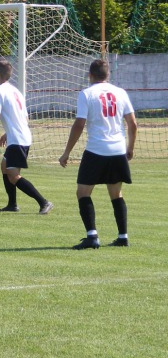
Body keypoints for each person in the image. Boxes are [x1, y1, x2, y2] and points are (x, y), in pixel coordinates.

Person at [59, 59, 137, 250]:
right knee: (116, 193)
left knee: (83, 192)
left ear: (90, 75)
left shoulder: (86, 94)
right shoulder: (121, 92)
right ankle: (123, 236)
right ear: (108, 75)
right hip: (118, 149)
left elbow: (79, 124)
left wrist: (67, 152)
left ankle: (92, 236)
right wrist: (130, 148)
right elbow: (133, 124)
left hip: (96, 150)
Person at [0, 59, 53, 215]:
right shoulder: (16, 91)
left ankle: (43, 202)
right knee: (5, 167)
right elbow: (24, 118)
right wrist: (7, 133)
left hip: (17, 139)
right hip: (21, 135)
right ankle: (12, 204)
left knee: (13, 175)